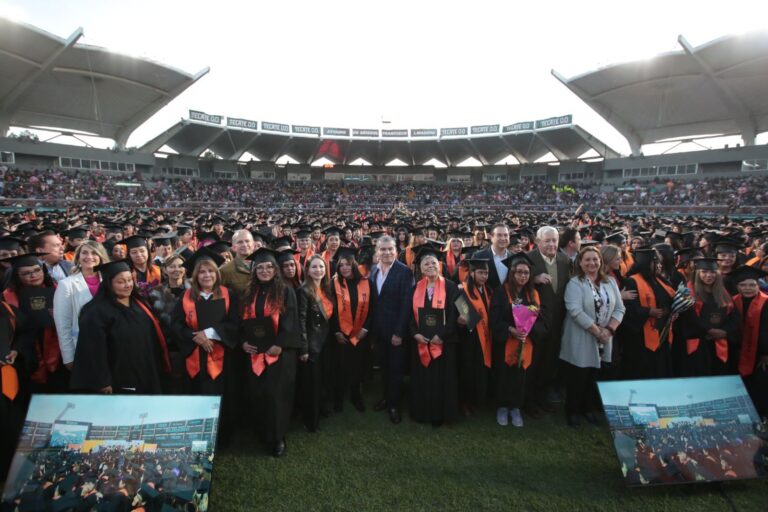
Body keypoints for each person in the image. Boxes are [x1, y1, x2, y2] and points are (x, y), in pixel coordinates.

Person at [70, 260, 171, 394]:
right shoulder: (95, 312)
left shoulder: (139, 303)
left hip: (146, 370)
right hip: (118, 376)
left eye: (129, 280)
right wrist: (103, 381)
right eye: (121, 282)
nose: (127, 285)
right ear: (109, 284)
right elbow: (93, 350)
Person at [171, 248, 240, 443]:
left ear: (217, 273)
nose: (207, 275)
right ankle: (200, 436)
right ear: (195, 275)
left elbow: (235, 323)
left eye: (210, 271)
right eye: (202, 272)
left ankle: (223, 437)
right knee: (198, 396)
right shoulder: (186, 297)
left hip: (222, 359)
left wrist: (208, 333)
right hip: (195, 358)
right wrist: (194, 336)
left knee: (222, 396)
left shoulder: (228, 294)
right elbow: (175, 324)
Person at [240, 248, 300, 457]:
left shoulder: (285, 291)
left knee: (277, 396)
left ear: (275, 270)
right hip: (255, 353)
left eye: (269, 267)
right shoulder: (248, 293)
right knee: (259, 393)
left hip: (278, 356)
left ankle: (278, 437)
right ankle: (262, 432)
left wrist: (280, 344)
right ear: (254, 271)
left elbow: (291, 322)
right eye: (260, 267)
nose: (264, 271)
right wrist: (243, 343)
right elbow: (242, 324)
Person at [559, 247, 624, 427]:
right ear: (580, 263)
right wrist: (598, 331)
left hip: (605, 338)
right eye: (587, 260)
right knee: (578, 376)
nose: (591, 263)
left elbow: (620, 308)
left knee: (595, 375)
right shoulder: (575, 283)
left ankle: (587, 408)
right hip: (582, 336)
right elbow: (575, 310)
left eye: (595, 259)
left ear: (600, 262)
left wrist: (609, 330)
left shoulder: (610, 282)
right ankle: (572, 411)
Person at [489, 253, 548, 427]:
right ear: (512, 273)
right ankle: (502, 407)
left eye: (526, 273)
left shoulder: (533, 294)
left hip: (526, 342)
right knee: (504, 375)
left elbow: (540, 318)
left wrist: (528, 330)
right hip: (505, 342)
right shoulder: (501, 292)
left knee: (521, 376)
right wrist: (510, 329)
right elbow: (494, 318)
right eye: (519, 272)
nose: (523, 276)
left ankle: (515, 407)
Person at [408, 247, 459, 426]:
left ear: (439, 265)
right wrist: (415, 334)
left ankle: (440, 414)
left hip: (443, 343)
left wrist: (442, 335)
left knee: (442, 380)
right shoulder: (415, 288)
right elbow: (409, 316)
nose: (430, 266)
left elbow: (455, 315)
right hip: (422, 342)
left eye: (433, 263)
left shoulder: (451, 287)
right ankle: (423, 413)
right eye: (426, 263)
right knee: (423, 379)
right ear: (421, 269)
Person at [1, 253, 66, 393]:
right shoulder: (7, 297)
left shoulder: (57, 289)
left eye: (37, 270)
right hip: (23, 351)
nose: (34, 275)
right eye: (26, 273)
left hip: (55, 345)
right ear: (17, 276)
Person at [369, 235, 413, 424]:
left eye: (390, 249)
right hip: (378, 331)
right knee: (384, 367)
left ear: (396, 251)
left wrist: (399, 332)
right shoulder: (373, 271)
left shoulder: (404, 272)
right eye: (383, 249)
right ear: (377, 252)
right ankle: (386, 398)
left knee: (396, 369)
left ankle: (394, 405)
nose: (386, 252)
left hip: (395, 331)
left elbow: (406, 304)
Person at [527, 226, 571, 409]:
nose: (552, 244)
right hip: (535, 320)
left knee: (551, 359)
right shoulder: (528, 259)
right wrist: (533, 280)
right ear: (538, 242)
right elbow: (513, 285)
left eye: (554, 240)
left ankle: (545, 394)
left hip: (558, 319)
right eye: (548, 240)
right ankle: (530, 397)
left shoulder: (565, 260)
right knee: (534, 360)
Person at [676, 258, 739, 376]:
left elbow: (734, 317)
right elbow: (688, 318)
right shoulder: (688, 292)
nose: (709, 275)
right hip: (698, 345)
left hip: (719, 342)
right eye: (704, 272)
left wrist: (725, 331)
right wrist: (709, 330)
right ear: (697, 273)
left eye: (713, 272)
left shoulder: (724, 293)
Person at [53, 241, 109, 372]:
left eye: (94, 253)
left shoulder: (109, 280)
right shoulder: (66, 285)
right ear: (78, 257)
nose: (89, 256)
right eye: (84, 253)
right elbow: (63, 324)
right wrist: (68, 357)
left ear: (101, 257)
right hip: (83, 346)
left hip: (110, 343)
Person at [621, 248, 676, 379]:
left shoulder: (661, 280)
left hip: (662, 331)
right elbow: (628, 308)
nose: (659, 265)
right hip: (641, 337)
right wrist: (648, 311)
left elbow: (669, 300)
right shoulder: (632, 281)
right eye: (655, 262)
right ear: (646, 263)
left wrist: (672, 312)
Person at [296, 255, 334, 432]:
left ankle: (322, 410)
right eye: (314, 267)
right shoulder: (303, 290)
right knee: (311, 384)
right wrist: (304, 348)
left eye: (321, 267)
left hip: (326, 342)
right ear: (308, 270)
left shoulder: (326, 288)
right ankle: (311, 421)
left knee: (324, 380)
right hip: (312, 344)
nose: (318, 270)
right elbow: (301, 320)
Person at [330, 247, 371, 412]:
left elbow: (373, 308)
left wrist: (366, 329)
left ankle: (356, 396)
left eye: (348, 264)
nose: (345, 268)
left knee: (357, 366)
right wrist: (336, 331)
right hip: (341, 334)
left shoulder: (367, 283)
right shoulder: (333, 284)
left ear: (354, 264)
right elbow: (330, 311)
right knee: (340, 367)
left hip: (359, 333)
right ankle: (338, 398)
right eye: (341, 265)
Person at [456, 257, 493, 415]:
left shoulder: (488, 291)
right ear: (472, 273)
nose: (484, 276)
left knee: (480, 370)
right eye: (480, 273)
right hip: (467, 339)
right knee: (467, 370)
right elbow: (459, 315)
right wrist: (460, 321)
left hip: (483, 337)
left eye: (486, 273)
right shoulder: (461, 290)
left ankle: (477, 400)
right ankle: (465, 402)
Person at [730, 265, 768, 418]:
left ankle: (761, 417)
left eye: (752, 285)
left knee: (760, 388)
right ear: (737, 287)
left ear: (758, 285)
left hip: (761, 356)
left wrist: (766, 353)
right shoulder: (732, 302)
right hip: (738, 352)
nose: (748, 288)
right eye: (743, 285)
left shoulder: (766, 302)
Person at [472, 224, 511, 291]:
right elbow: (471, 280)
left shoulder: (514, 257)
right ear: (491, 237)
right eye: (499, 235)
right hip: (486, 298)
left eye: (506, 235)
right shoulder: (479, 256)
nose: (503, 238)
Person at [219, 229, 255, 298]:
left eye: (247, 241)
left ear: (253, 244)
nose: (244, 245)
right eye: (240, 242)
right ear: (233, 247)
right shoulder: (224, 271)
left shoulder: (262, 267)